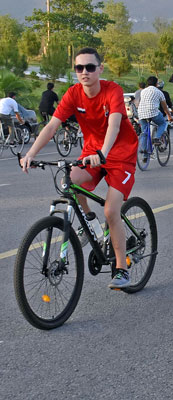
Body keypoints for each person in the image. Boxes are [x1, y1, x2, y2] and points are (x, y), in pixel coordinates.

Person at [20, 47, 138, 289]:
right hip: (92, 153)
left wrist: (103, 153)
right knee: (69, 182)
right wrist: (31, 154)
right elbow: (52, 126)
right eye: (79, 68)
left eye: (90, 67)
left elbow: (115, 125)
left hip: (120, 154)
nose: (84, 72)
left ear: (100, 69)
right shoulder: (73, 94)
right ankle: (90, 221)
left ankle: (121, 269)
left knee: (111, 212)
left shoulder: (111, 90)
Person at [137, 76, 172, 154]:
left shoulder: (143, 91)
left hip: (141, 113)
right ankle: (157, 138)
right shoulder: (159, 92)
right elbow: (165, 106)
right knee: (162, 123)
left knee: (144, 132)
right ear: (156, 84)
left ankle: (144, 152)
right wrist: (169, 116)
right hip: (153, 113)